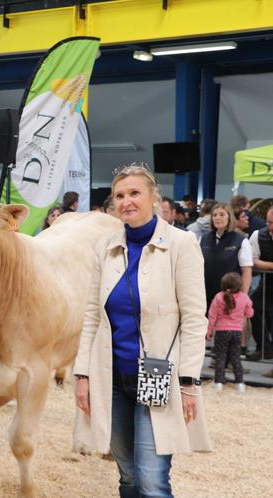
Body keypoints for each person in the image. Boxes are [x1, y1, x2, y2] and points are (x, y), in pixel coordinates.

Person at [73, 163, 210, 497]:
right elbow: (92, 315)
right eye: (119, 195)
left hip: (157, 372)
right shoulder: (105, 247)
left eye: (134, 193)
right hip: (111, 377)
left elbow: (194, 318)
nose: (126, 201)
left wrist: (189, 381)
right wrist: (82, 375)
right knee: (129, 477)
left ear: (154, 198)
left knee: (151, 481)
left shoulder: (181, 244)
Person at [200, 203, 252, 311]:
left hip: (230, 298)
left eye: (222, 214)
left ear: (230, 217)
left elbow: (246, 271)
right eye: (214, 215)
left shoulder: (241, 241)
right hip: (204, 296)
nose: (217, 218)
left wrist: (242, 297)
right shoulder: (203, 238)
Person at [207, 272, 253, 392]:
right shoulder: (244, 297)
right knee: (235, 357)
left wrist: (209, 331)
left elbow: (212, 315)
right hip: (237, 332)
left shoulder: (218, 297)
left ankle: (218, 383)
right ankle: (240, 383)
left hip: (221, 331)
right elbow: (249, 313)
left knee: (220, 357)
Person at [247, 206, 273, 360]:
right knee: (253, 305)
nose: (271, 227)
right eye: (269, 222)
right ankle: (263, 346)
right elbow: (252, 260)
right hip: (266, 284)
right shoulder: (258, 235)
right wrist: (271, 266)